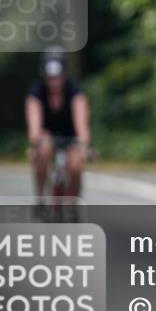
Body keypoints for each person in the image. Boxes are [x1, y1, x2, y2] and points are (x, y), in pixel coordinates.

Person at [25, 48, 92, 208]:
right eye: (50, 77)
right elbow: (34, 122)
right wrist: (36, 141)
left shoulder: (75, 91)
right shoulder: (36, 92)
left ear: (64, 75)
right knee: (42, 153)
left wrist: (84, 144)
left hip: (70, 134)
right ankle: (40, 198)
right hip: (46, 134)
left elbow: (81, 121)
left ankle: (72, 203)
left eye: (57, 77)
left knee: (75, 165)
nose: (54, 81)